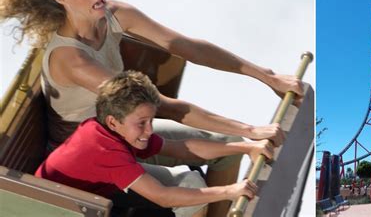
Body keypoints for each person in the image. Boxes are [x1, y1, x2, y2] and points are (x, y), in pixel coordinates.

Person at [0, 0, 303, 215]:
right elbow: (162, 106)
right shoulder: (71, 60)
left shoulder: (114, 14)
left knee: (225, 145)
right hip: (95, 155)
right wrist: (250, 131)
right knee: (192, 188)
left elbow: (186, 46)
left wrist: (266, 77)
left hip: (129, 129)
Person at [36, 70, 274, 217]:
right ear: (113, 121)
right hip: (62, 209)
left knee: (191, 180)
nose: (149, 130)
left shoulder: (116, 131)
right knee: (189, 188)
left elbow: (181, 148)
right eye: (142, 123)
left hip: (95, 193)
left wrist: (245, 147)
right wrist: (228, 192)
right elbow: (163, 196)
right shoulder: (105, 150)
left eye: (151, 120)